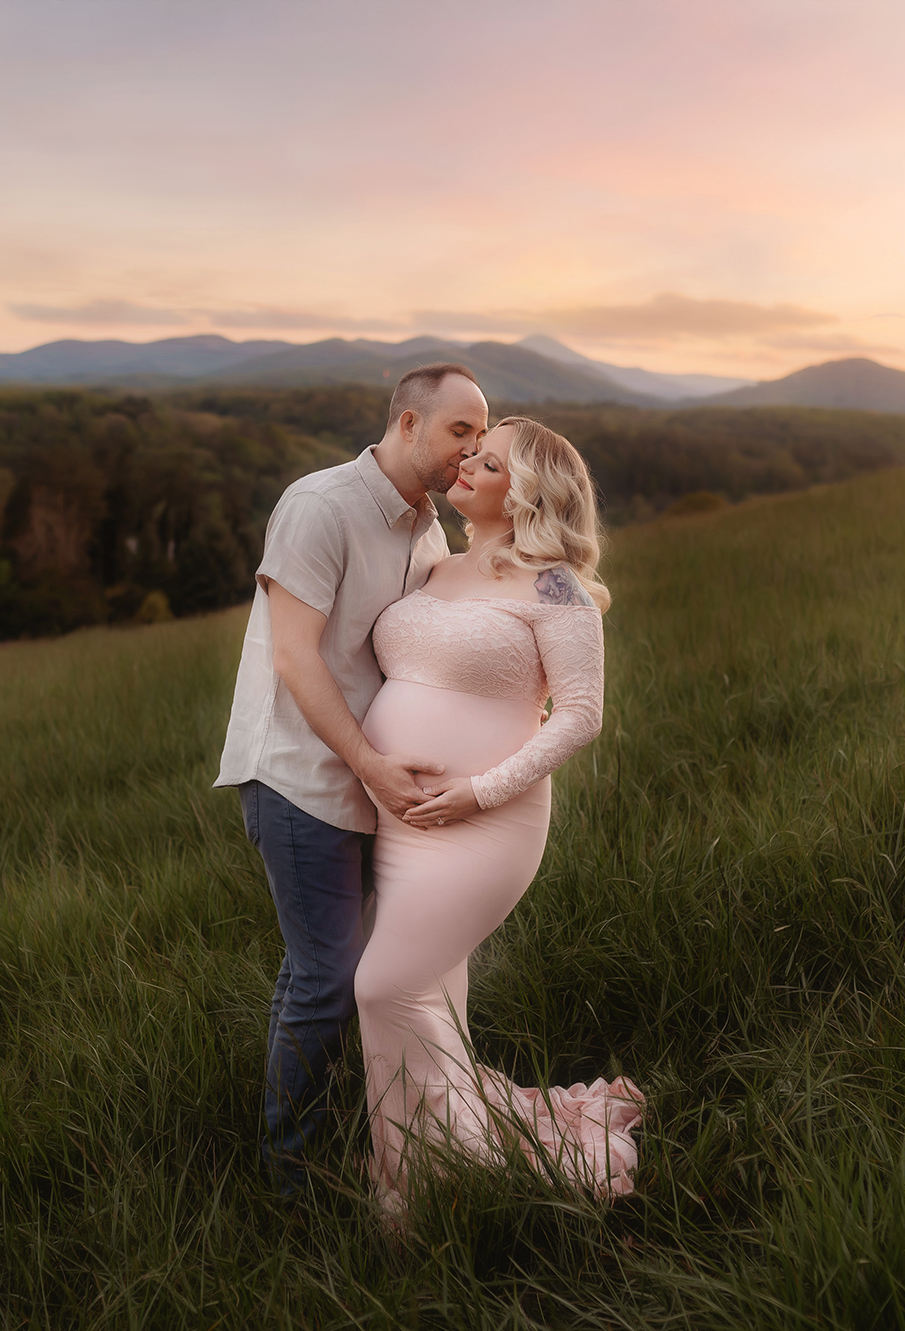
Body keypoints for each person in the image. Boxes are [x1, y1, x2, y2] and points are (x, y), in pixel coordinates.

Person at [354, 416, 643, 1218]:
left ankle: (450, 1187)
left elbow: (581, 715)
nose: (466, 467)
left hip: (485, 826)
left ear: (525, 493)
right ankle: (427, 1169)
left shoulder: (554, 584)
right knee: (429, 997)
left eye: (487, 461)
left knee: (384, 986)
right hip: (401, 822)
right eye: (471, 454)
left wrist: (480, 790)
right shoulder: (436, 565)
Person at [216, 362, 489, 1190]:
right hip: (305, 778)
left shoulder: (430, 530)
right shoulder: (319, 506)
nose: (472, 451)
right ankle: (289, 1176)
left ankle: (366, 1130)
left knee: (355, 971)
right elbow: (297, 659)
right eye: (459, 431)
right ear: (407, 425)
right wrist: (370, 761)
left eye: (482, 436)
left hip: (380, 793)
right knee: (329, 973)